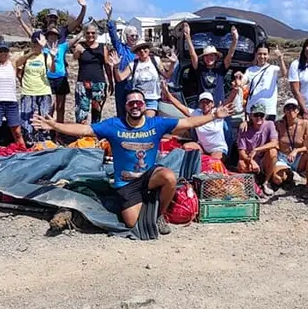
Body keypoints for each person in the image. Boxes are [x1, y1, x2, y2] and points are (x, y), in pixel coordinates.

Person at [31, 89, 229, 232]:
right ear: (125, 106)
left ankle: (159, 215)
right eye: (131, 103)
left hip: (149, 177)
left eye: (139, 102)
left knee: (169, 176)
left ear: (144, 106)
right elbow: (85, 130)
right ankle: (141, 205)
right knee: (133, 224)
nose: (135, 105)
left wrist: (213, 116)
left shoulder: (156, 123)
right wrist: (55, 126)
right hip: (126, 184)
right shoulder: (114, 125)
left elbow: (188, 122)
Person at [164, 89, 229, 159]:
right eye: (203, 102)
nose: (205, 104)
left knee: (213, 161)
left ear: (212, 104)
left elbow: (229, 100)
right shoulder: (196, 113)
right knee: (186, 147)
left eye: (208, 102)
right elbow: (180, 106)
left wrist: (236, 89)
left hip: (218, 148)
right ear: (199, 104)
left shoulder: (218, 112)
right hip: (202, 147)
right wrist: (168, 95)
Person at [103, 1, 141, 118]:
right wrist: (109, 18)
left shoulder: (140, 50)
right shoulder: (120, 48)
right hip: (121, 84)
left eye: (135, 35)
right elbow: (113, 34)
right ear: (126, 36)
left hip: (136, 84)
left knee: (135, 111)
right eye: (131, 35)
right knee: (121, 110)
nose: (134, 37)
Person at [274, 98, 308, 190]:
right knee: (277, 179)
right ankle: (290, 175)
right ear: (284, 111)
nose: (291, 110)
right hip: (283, 157)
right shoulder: (279, 124)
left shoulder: (305, 124)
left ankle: (307, 186)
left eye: (294, 108)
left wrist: (297, 150)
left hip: (299, 158)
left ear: (298, 110)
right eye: (288, 108)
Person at [184, 22, 234, 105]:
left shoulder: (220, 70)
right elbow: (192, 54)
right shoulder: (200, 69)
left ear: (216, 57)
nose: (209, 58)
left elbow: (230, 55)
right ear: (203, 58)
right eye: (206, 56)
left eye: (212, 55)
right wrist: (187, 36)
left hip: (219, 107)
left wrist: (235, 39)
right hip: (203, 108)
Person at [111, 42, 166, 116]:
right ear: (136, 52)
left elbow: (166, 75)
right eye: (139, 49)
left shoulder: (156, 60)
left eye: (144, 48)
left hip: (152, 98)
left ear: (149, 49)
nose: (142, 51)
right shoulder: (133, 64)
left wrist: (173, 63)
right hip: (136, 99)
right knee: (136, 124)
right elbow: (120, 78)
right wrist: (116, 66)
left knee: (148, 123)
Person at [237, 102, 281, 192]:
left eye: (261, 115)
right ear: (251, 116)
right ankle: (251, 181)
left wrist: (256, 150)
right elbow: (241, 151)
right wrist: (251, 160)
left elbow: (274, 143)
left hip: (263, 159)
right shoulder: (244, 129)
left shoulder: (270, 124)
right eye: (256, 115)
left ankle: (266, 182)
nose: (259, 117)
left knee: (273, 151)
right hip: (250, 159)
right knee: (241, 164)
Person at [73, 20, 110, 124]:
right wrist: (78, 50)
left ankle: (94, 135)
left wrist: (111, 81)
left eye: (93, 33)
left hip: (99, 83)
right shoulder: (81, 46)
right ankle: (81, 136)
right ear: (85, 34)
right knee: (81, 111)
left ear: (96, 34)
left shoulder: (103, 47)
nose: (90, 35)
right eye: (88, 33)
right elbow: (74, 58)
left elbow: (106, 65)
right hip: (83, 83)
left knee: (96, 112)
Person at [242, 42, 287, 121]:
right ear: (256, 55)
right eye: (259, 54)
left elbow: (284, 73)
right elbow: (243, 81)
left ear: (268, 55)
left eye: (265, 54)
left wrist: (280, 58)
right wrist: (239, 82)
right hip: (252, 110)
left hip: (268, 110)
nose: (262, 56)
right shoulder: (250, 70)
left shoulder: (274, 69)